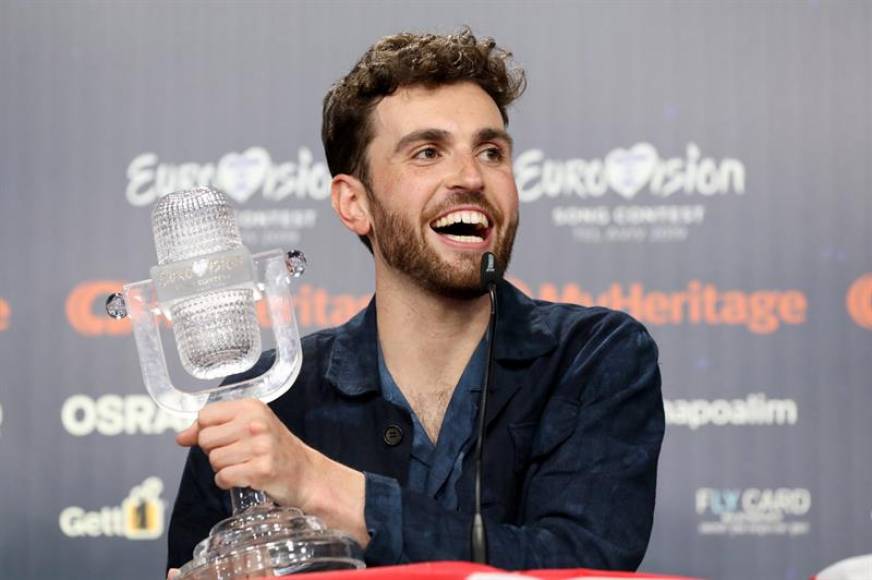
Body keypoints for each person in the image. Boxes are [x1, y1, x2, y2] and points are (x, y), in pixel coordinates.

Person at [167, 28, 664, 573]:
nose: (472, 177)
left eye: (491, 151)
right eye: (428, 152)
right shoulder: (268, 401)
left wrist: (318, 484)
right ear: (355, 204)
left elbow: (578, 565)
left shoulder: (594, 356)